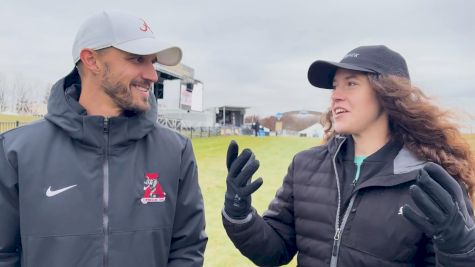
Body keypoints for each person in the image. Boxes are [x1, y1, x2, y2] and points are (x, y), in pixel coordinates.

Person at [222, 45, 475, 266]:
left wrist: (460, 251)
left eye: (351, 83)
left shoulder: (430, 179)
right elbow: (274, 251)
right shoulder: (305, 165)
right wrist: (239, 212)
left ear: (387, 94)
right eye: (334, 86)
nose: (335, 95)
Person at [0, 10, 207, 266]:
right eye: (138, 59)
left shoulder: (176, 151)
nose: (152, 75)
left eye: (152, 62)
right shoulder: (15, 151)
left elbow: (187, 250)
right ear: (91, 60)